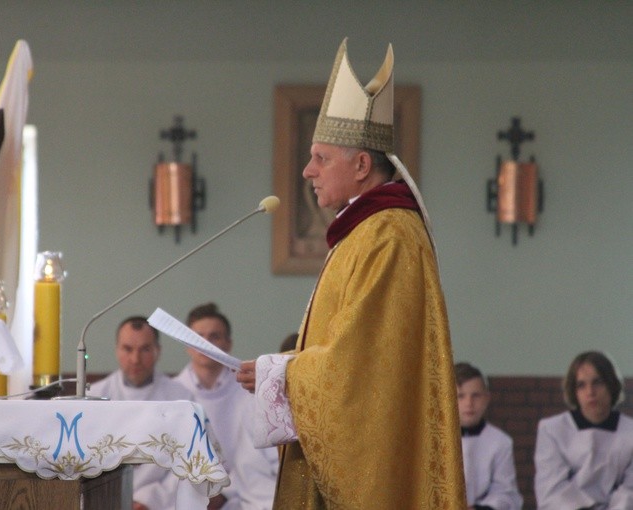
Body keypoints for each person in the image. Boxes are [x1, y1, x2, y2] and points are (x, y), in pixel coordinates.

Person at [236, 38, 466, 508]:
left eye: (321, 157)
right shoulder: (366, 230)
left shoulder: (389, 236)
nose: (306, 170)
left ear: (362, 165)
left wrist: (276, 371)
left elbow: (361, 371)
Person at [173, 302, 278, 510]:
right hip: (186, 493)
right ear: (186, 344)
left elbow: (254, 459)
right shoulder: (173, 394)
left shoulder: (248, 389)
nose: (206, 343)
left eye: (214, 337)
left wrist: (224, 493)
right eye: (198, 337)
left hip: (240, 494)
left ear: (228, 344)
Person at [88, 316, 193, 510]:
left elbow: (189, 459)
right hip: (105, 497)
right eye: (128, 349)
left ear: (157, 351)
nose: (135, 359)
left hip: (162, 503)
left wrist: (150, 500)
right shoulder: (94, 397)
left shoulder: (181, 399)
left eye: (145, 349)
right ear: (117, 350)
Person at [534, 351, 633, 509]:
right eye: (581, 385)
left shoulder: (630, 432)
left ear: (611, 385)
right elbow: (552, 491)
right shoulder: (552, 430)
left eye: (597, 382)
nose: (590, 392)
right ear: (574, 391)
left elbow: (630, 491)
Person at [456, 362, 523, 510]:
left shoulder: (500, 442)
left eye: (476, 395)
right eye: (460, 396)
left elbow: (506, 493)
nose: (469, 403)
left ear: (487, 398)